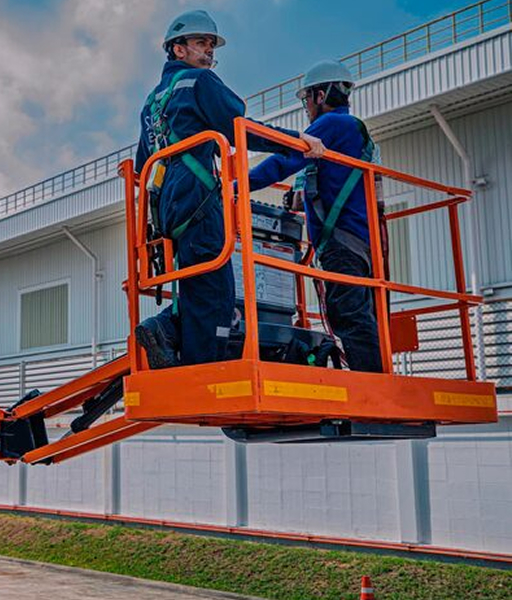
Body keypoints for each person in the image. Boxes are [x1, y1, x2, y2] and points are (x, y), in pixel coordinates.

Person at [134, 10, 325, 368]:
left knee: (194, 282)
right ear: (178, 50)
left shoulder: (150, 103)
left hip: (166, 208)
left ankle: (164, 330)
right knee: (216, 290)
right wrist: (296, 141)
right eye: (200, 43)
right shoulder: (200, 83)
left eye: (211, 45)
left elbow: (145, 160)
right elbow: (240, 126)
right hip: (198, 199)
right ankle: (202, 370)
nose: (208, 51)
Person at [247, 59, 382, 372]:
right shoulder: (353, 131)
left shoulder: (333, 124)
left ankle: (372, 391)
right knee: (356, 312)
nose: (306, 106)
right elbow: (331, 177)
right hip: (358, 240)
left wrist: (234, 185)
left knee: (348, 313)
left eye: (307, 98)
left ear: (321, 95)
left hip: (342, 242)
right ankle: (374, 384)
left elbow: (285, 159)